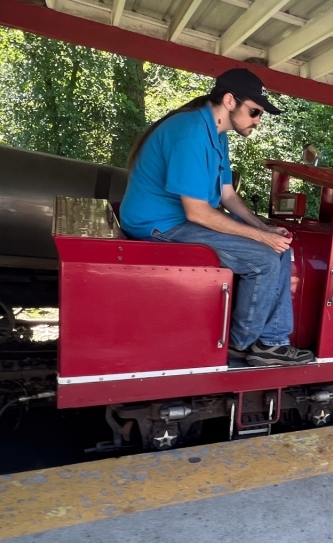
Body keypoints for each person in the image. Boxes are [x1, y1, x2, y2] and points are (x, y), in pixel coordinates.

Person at [119, 68, 314, 367]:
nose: (258, 121)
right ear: (229, 101)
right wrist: (261, 238)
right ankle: (238, 344)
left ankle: (272, 343)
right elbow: (197, 212)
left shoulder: (217, 134)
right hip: (157, 225)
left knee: (279, 250)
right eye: (255, 112)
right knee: (263, 258)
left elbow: (227, 196)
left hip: (180, 219)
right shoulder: (190, 132)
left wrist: (264, 227)